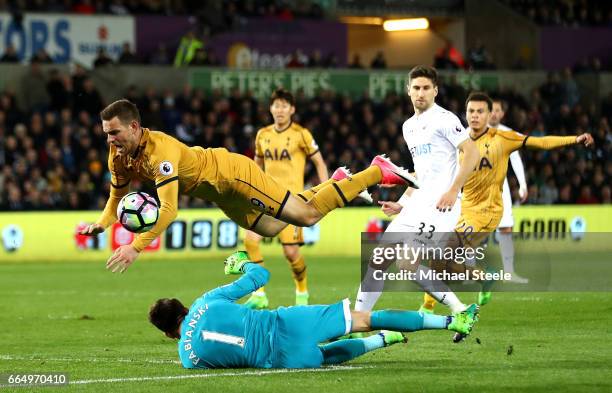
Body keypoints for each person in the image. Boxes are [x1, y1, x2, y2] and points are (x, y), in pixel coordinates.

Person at [80, 99, 417, 273]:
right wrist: (102, 223)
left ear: (135, 127)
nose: (109, 139)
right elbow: (116, 197)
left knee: (307, 216)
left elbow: (169, 210)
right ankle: (338, 184)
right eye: (106, 132)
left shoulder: (161, 152)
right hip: (220, 194)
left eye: (114, 132)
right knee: (272, 226)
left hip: (232, 174)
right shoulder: (118, 155)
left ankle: (376, 171)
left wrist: (135, 246)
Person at [419, 92, 593, 340]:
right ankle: (481, 280)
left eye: (480, 112)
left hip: (487, 212)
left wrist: (574, 139)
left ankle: (449, 308)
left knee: (441, 255)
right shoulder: (459, 140)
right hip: (462, 208)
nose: (475, 116)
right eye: (471, 112)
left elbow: (541, 143)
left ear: (490, 115)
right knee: (440, 263)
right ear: (465, 114)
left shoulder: (503, 138)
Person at [148, 251, 479, 369]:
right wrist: (242, 264)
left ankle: (383, 341)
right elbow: (262, 276)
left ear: (166, 333)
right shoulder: (207, 301)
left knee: (327, 358)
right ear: (184, 305)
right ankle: (452, 320)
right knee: (367, 319)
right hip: (289, 322)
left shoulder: (189, 359)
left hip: (279, 360)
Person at [354, 65, 480, 319]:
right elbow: (421, 173)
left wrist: (453, 189)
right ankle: (356, 321)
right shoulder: (408, 126)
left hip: (440, 207)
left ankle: (461, 310)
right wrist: (402, 202)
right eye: (416, 88)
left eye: (425, 88)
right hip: (418, 203)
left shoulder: (445, 119)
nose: (420, 93)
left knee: (407, 266)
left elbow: (473, 153)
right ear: (408, 91)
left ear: (436, 90)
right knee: (378, 260)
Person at [243, 89, 330, 309]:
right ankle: (259, 293)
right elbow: (257, 166)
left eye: (284, 106)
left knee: (291, 253)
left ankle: (302, 292)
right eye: (276, 105)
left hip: (292, 202)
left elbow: (319, 163)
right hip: (265, 199)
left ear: (292, 109)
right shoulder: (262, 134)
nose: (279, 110)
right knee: (250, 239)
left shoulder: (302, 134)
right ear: (271, 109)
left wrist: (326, 190)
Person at [489, 98, 529, 284]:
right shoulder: (470, 133)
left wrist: (523, 184)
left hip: (500, 187)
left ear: (502, 113)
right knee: (469, 231)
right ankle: (467, 273)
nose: (494, 113)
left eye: (498, 110)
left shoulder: (507, 134)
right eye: (491, 110)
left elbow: (516, 160)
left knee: (505, 227)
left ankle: (509, 273)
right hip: (475, 187)